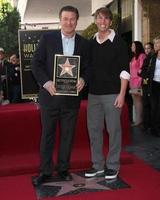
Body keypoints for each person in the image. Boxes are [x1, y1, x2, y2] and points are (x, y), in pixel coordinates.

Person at [31, 5, 89, 186]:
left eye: (72, 19)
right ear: (60, 20)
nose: (69, 22)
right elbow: (36, 64)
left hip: (71, 100)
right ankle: (45, 171)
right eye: (65, 18)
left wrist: (83, 79)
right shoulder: (47, 38)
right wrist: (46, 83)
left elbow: (88, 68)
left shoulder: (84, 43)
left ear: (76, 21)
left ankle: (63, 169)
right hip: (49, 97)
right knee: (47, 135)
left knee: (67, 136)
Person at [84, 7, 130, 180]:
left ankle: (112, 165)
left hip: (112, 94)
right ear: (95, 20)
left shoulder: (119, 42)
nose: (102, 22)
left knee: (113, 130)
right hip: (93, 94)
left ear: (110, 21)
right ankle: (97, 165)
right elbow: (86, 67)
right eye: (99, 18)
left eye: (105, 19)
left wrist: (122, 94)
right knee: (94, 130)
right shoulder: (90, 42)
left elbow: (125, 71)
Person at [141, 35, 160, 137]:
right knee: (154, 107)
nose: (156, 45)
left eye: (158, 43)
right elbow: (143, 70)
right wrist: (146, 79)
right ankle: (154, 129)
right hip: (153, 85)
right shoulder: (151, 57)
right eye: (155, 43)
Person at [129, 41, 146, 126]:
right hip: (132, 81)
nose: (131, 47)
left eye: (133, 45)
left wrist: (139, 82)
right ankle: (138, 119)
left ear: (137, 46)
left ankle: (139, 120)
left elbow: (142, 69)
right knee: (135, 102)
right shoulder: (133, 57)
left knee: (138, 101)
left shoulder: (141, 56)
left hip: (138, 81)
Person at [140, 42, 154, 132]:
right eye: (145, 48)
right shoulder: (146, 59)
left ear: (152, 49)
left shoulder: (154, 58)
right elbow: (142, 71)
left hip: (152, 85)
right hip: (145, 85)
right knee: (145, 105)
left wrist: (142, 72)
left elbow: (145, 71)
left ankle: (152, 125)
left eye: (148, 48)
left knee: (152, 105)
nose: (147, 50)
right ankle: (146, 125)